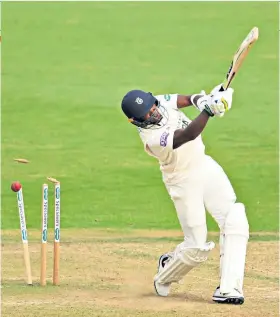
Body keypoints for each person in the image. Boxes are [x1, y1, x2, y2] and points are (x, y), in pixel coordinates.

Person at [120, 84, 249, 305]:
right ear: (136, 121)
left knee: (234, 218)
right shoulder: (152, 139)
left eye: (152, 108)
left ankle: (229, 288)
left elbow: (187, 99)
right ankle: (166, 270)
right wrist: (209, 110)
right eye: (147, 115)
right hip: (182, 182)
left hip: (204, 165)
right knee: (196, 247)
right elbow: (187, 135)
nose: (154, 113)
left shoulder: (158, 101)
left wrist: (206, 99)